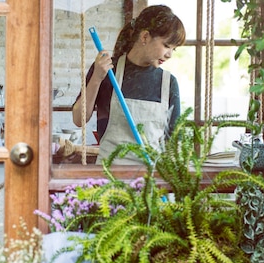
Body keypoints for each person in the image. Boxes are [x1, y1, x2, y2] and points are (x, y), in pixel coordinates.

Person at [72, 5, 186, 165]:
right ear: (145, 37)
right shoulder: (106, 70)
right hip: (108, 179)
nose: (169, 55)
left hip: (149, 181)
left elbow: (175, 143)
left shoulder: (168, 83)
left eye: (174, 49)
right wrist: (97, 77)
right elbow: (78, 119)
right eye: (167, 46)